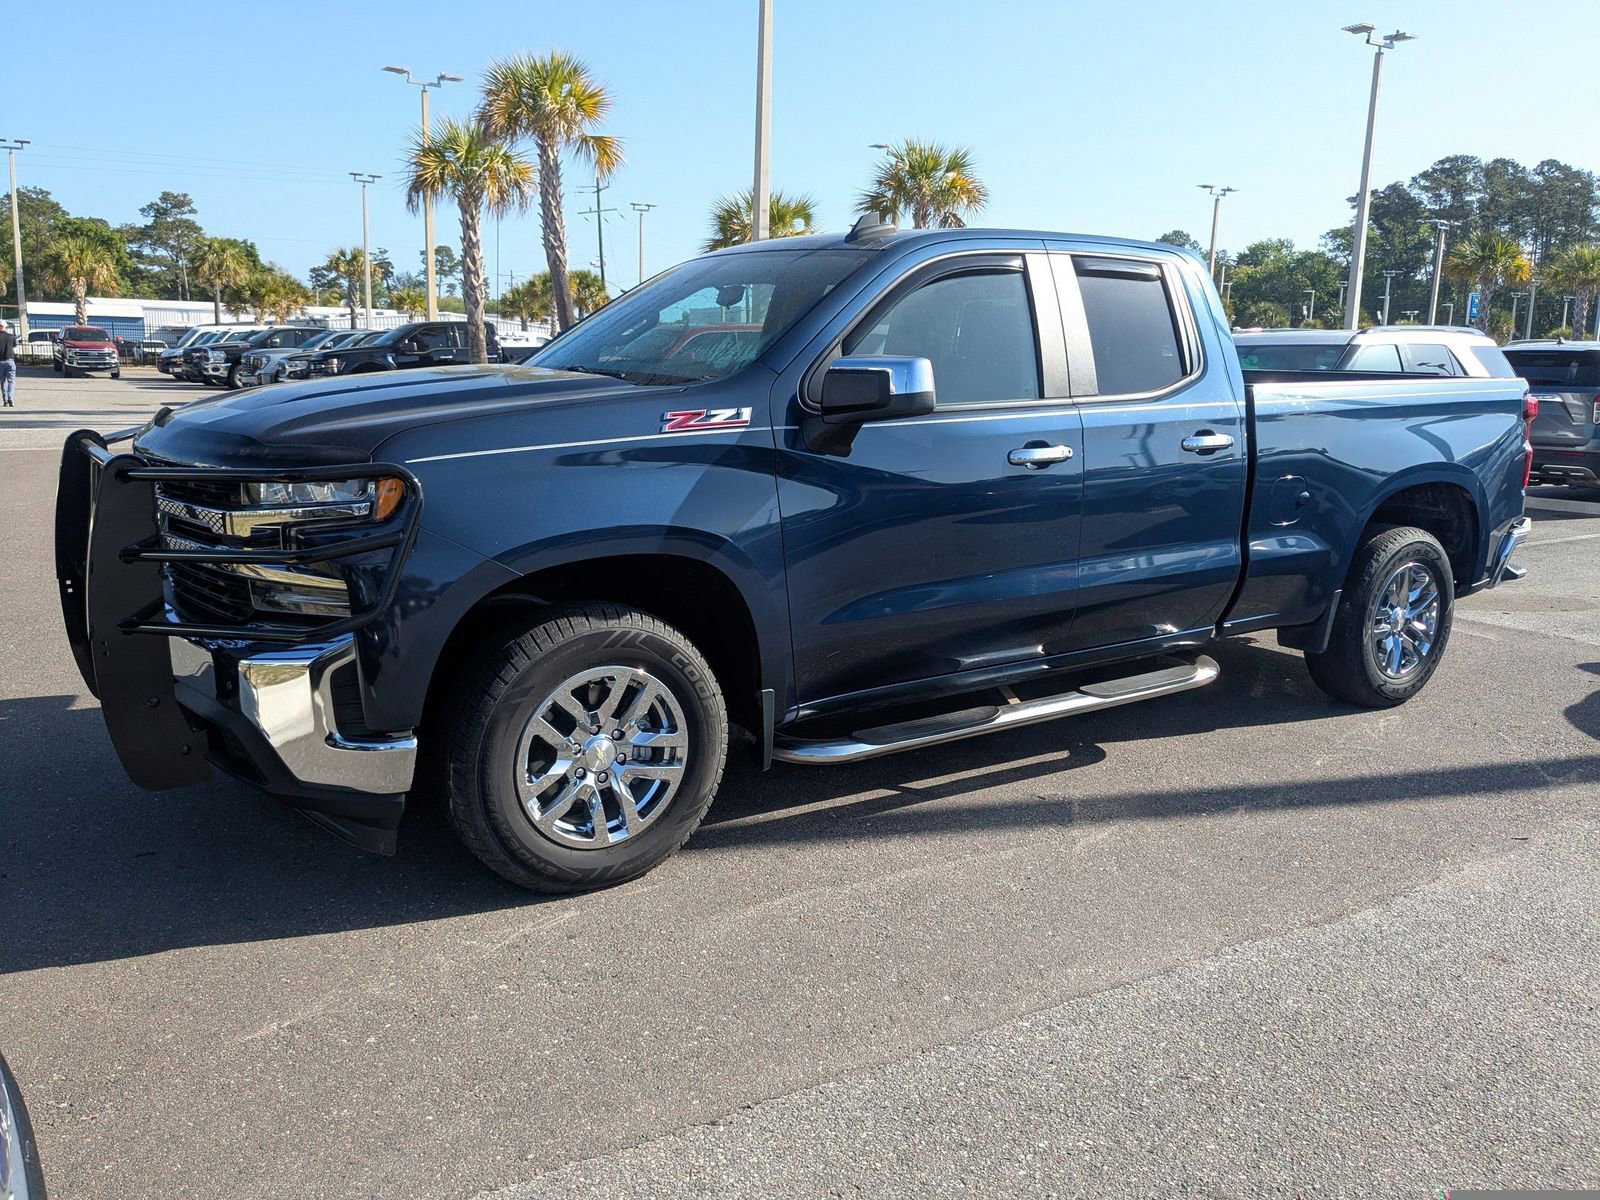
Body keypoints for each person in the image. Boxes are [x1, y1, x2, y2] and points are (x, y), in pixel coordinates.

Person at [0, 321, 16, 407]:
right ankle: (10, 398)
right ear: (5, 327)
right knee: (11, 381)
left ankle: (5, 400)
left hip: (0, 362)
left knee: (3, 382)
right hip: (10, 361)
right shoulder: (11, 337)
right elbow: (14, 345)